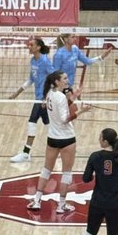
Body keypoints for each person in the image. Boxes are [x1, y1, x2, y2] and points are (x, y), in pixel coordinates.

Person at [27, 69, 92, 215]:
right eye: (64, 78)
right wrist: (82, 111)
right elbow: (64, 119)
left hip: (52, 138)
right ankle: (61, 205)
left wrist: (73, 98)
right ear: (57, 82)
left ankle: (37, 200)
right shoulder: (60, 97)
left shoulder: (50, 94)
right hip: (67, 139)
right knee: (66, 173)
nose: (67, 80)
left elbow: (60, 108)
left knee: (46, 170)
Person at [9, 36, 54, 163]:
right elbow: (31, 79)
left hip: (43, 99)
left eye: (31, 45)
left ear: (38, 47)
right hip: (39, 98)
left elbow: (53, 79)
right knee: (50, 126)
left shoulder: (45, 61)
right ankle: (63, 146)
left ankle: (25, 153)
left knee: (32, 122)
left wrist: (46, 98)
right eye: (29, 45)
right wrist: (16, 93)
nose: (29, 47)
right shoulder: (33, 61)